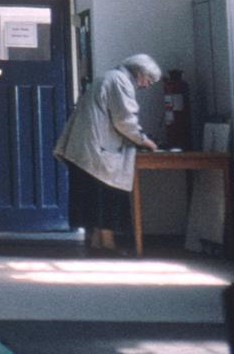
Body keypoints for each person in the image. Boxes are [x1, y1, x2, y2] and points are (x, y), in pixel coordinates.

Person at [55, 52, 162, 252]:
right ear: (139, 73)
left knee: (95, 198)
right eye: (148, 81)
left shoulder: (109, 77)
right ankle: (107, 245)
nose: (146, 86)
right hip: (96, 152)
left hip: (87, 149)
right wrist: (145, 140)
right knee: (107, 195)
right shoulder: (119, 81)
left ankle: (97, 243)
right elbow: (124, 120)